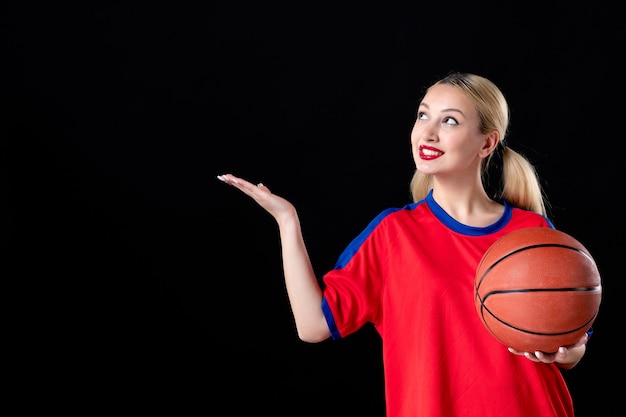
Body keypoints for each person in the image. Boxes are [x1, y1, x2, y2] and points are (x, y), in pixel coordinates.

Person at [216, 72, 590, 416]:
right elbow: (313, 325)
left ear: (487, 143)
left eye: (449, 121)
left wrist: (569, 350)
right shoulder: (395, 233)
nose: (427, 133)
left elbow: (569, 350)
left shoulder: (533, 232)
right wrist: (287, 221)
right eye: (423, 115)